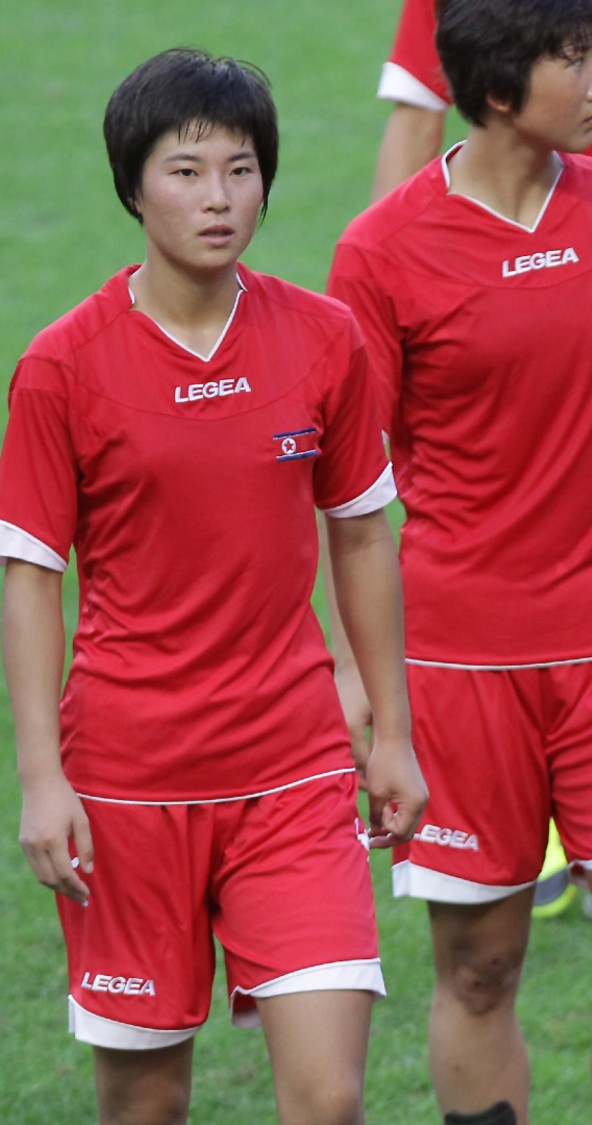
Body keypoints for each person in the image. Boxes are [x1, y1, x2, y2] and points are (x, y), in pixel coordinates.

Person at [326, 2, 592, 1123]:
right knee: (479, 966)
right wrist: (358, 678)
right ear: (500, 90)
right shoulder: (381, 253)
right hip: (463, 658)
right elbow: (343, 493)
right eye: (573, 58)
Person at [1, 48, 426, 1125]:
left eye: (240, 169)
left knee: (328, 1099)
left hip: (292, 767)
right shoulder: (63, 366)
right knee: (147, 1107)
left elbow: (364, 539)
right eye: (186, 171)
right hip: (128, 783)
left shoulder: (324, 340)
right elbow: (30, 576)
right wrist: (44, 780)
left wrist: (392, 733)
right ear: (132, 184)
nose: (219, 198)